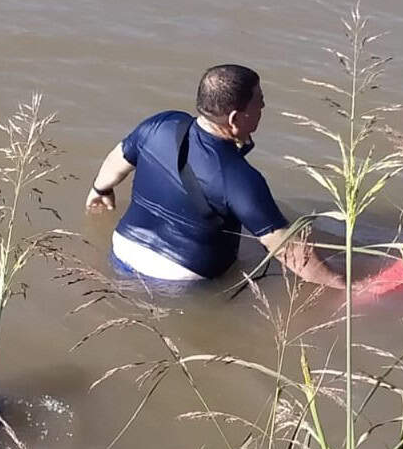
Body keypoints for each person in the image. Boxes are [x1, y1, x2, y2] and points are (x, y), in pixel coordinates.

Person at [86, 64, 345, 287]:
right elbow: (290, 252)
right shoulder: (240, 178)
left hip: (122, 250)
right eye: (259, 102)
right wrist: (344, 285)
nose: (263, 106)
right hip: (180, 280)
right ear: (234, 118)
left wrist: (99, 190)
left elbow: (118, 158)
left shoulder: (161, 124)